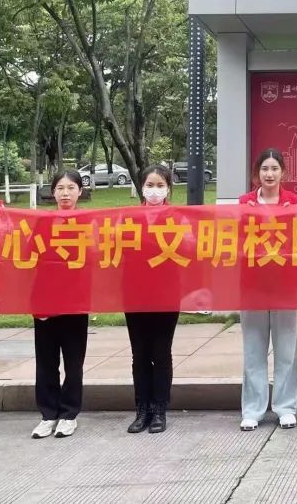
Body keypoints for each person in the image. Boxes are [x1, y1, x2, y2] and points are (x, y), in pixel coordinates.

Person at [237, 149, 297, 431]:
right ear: (257, 173)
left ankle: (285, 407)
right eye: (265, 168)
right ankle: (253, 409)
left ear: (283, 172)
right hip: (253, 285)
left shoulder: (295, 202)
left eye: (275, 168)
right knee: (253, 348)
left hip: (286, 284)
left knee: (286, 348)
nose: (270, 174)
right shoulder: (244, 203)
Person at [30, 170, 90, 439]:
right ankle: (48, 414)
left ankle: (68, 414)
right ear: (52, 192)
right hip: (45, 300)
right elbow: (28, 258)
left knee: (73, 361)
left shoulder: (90, 222)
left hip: (76, 301)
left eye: (71, 188)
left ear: (80, 191)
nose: (65, 193)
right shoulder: (42, 222)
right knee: (46, 360)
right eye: (60, 188)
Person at [125, 164, 181, 434]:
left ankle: (159, 409)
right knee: (139, 354)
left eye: (160, 185)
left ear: (168, 188)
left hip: (167, 294)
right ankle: (142, 409)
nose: (155, 191)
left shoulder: (178, 218)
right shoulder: (129, 218)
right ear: (142, 188)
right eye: (150, 185)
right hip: (134, 294)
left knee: (161, 352)